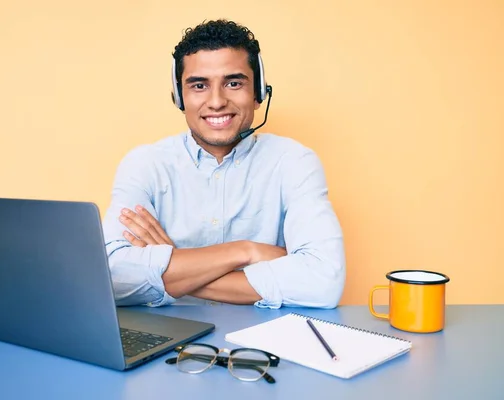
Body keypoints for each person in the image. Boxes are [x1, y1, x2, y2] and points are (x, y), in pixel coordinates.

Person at [102, 19, 345, 309]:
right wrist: (244, 251)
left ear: (258, 94)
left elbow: (324, 282)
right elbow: (110, 278)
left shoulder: (294, 162)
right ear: (179, 97)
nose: (217, 101)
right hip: (170, 336)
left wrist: (176, 266)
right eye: (199, 85)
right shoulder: (145, 164)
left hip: (265, 339)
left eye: (233, 83)